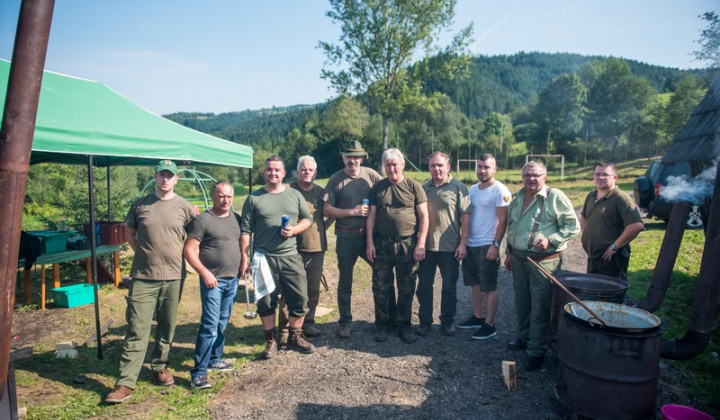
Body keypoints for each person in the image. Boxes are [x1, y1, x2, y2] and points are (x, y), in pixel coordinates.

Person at [106, 160, 195, 404]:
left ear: (176, 179)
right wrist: (142, 253)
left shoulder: (185, 207)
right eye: (161, 175)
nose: (165, 179)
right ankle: (125, 382)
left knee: (167, 325)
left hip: (175, 275)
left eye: (170, 175)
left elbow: (194, 237)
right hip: (144, 276)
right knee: (137, 327)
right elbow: (130, 234)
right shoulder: (140, 204)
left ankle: (160, 366)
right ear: (155, 177)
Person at [504, 161, 580, 371]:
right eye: (527, 175)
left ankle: (537, 350)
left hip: (543, 261)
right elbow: (512, 226)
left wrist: (551, 239)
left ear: (545, 177)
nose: (531, 179)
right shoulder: (518, 196)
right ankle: (524, 337)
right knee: (522, 302)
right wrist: (508, 252)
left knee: (540, 306)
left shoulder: (555, 197)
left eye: (536, 175)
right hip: (519, 259)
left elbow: (573, 226)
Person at [240, 156, 315, 360]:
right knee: (266, 301)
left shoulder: (294, 195)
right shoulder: (254, 198)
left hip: (290, 256)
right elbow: (245, 230)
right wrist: (244, 258)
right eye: (269, 169)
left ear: (283, 173)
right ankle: (271, 340)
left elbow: (308, 218)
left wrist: (294, 230)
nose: (273, 173)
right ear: (265, 172)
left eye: (277, 170)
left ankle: (294, 337)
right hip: (263, 258)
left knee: (300, 299)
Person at [323, 141, 384, 339]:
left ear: (362, 158)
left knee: (381, 276)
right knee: (345, 281)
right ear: (343, 158)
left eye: (356, 157)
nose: (352, 160)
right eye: (348, 156)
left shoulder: (372, 175)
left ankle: (383, 321)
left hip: (370, 237)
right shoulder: (335, 179)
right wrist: (352, 211)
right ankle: (345, 323)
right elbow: (327, 209)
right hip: (345, 236)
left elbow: (386, 193)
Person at [366, 148, 429, 344]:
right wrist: (369, 243)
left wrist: (420, 243)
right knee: (381, 287)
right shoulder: (378, 188)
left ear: (402, 165)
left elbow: (424, 216)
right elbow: (372, 216)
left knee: (406, 287)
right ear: (384, 167)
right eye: (388, 164)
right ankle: (382, 325)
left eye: (395, 164)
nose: (392, 168)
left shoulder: (414, 186)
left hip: (407, 245)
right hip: (382, 244)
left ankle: (404, 326)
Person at [183, 181, 242, 390]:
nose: (225, 200)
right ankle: (198, 374)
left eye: (229, 196)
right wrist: (204, 273)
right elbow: (189, 250)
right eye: (221, 196)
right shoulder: (203, 220)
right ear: (213, 197)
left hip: (233, 279)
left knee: (222, 321)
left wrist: (244, 263)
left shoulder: (236, 218)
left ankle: (214, 358)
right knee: (209, 325)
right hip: (213, 281)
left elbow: (241, 243)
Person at [278, 156, 333, 342]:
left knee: (312, 289)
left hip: (316, 248)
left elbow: (330, 213)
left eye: (310, 170)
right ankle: (285, 329)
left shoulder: (321, 192)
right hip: (291, 248)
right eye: (304, 169)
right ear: (297, 171)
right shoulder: (287, 190)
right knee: (289, 289)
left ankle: (308, 323)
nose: (307, 172)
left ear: (315, 173)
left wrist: (320, 229)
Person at [416, 152, 471, 337]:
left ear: (448, 167)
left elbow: (466, 218)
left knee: (449, 287)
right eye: (433, 165)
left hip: (450, 247)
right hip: (427, 247)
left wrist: (463, 244)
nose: (436, 169)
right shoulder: (423, 189)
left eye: (440, 165)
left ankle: (447, 322)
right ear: (429, 167)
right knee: (424, 286)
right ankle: (425, 322)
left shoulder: (458, 188)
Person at [458, 154, 512, 340]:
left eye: (486, 167)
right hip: (472, 244)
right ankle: (478, 316)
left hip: (488, 244)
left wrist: (495, 245)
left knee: (489, 286)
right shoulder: (473, 190)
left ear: (494, 169)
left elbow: (503, 220)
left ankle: (490, 325)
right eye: (479, 166)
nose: (482, 170)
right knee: (474, 283)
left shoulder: (500, 190)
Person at [581, 162, 644, 280]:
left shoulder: (621, 198)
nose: (600, 177)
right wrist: (585, 235)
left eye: (605, 174)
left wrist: (614, 247)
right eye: (597, 174)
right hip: (594, 256)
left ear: (614, 177)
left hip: (611, 259)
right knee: (593, 291)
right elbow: (584, 216)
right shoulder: (591, 195)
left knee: (609, 295)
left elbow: (637, 225)